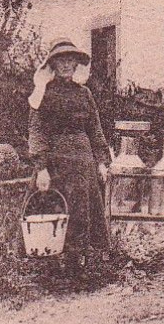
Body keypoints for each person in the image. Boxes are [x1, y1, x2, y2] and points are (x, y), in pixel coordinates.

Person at [28, 40, 113, 277]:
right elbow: (37, 131)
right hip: (55, 162)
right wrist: (41, 167)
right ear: (53, 64)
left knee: (82, 211)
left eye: (70, 60)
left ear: (76, 64)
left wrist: (102, 161)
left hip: (82, 161)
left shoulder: (84, 94)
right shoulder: (43, 94)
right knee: (53, 209)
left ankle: (77, 264)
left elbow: (95, 129)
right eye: (61, 60)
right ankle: (51, 264)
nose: (66, 65)